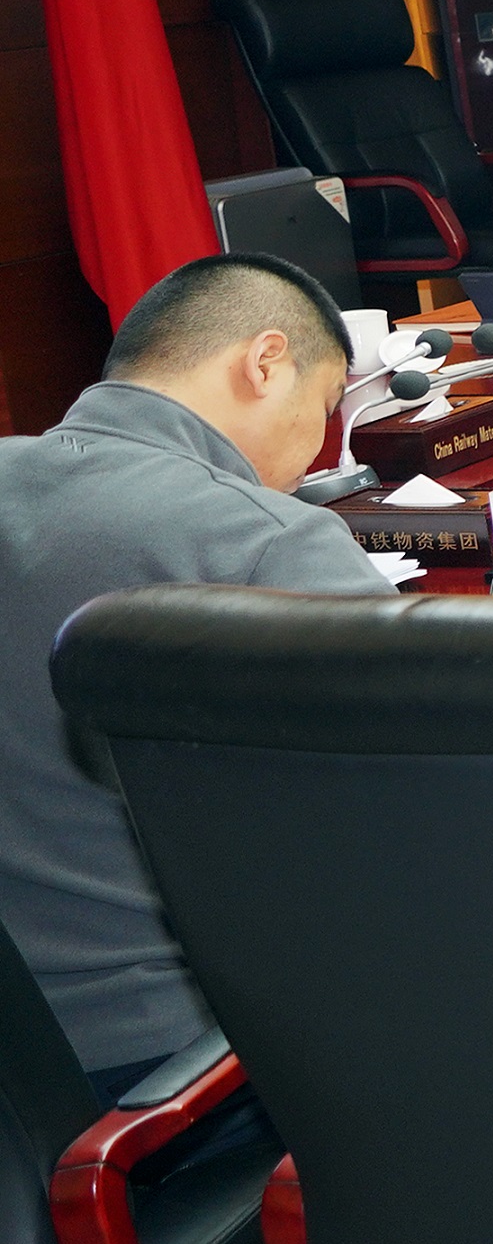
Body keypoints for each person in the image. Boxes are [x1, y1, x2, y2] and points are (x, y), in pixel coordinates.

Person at [0, 256, 388, 1083]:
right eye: (326, 407)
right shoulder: (261, 539)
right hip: (177, 1067)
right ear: (265, 361)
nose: (319, 452)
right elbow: (415, 812)